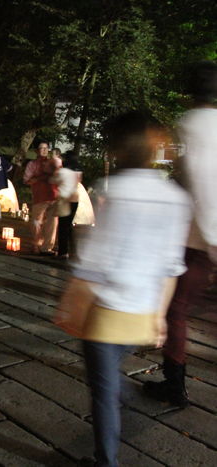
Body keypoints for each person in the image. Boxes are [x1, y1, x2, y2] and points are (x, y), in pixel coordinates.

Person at [71, 112, 191, 467]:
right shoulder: (175, 197)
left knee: (103, 391)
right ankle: (119, 393)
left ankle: (107, 460)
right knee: (106, 378)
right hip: (143, 312)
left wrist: (75, 299)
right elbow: (172, 266)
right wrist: (159, 317)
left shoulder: (114, 191)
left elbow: (96, 259)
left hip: (108, 312)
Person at [144, 61, 217, 408]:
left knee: (177, 309)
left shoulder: (192, 124)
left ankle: (175, 385)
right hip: (203, 233)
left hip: (199, 237)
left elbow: (205, 180)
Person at [23, 141, 58, 254]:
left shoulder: (52, 162)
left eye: (45, 148)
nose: (43, 150)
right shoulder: (32, 164)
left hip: (53, 196)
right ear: (36, 151)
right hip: (39, 197)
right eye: (41, 148)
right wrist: (39, 178)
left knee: (52, 222)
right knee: (36, 222)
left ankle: (47, 247)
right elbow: (27, 180)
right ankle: (37, 243)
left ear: (48, 149)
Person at [50, 151, 83, 259]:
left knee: (63, 227)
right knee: (69, 226)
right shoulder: (78, 171)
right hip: (75, 198)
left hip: (65, 200)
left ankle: (63, 252)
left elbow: (52, 180)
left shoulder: (63, 171)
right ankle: (74, 251)